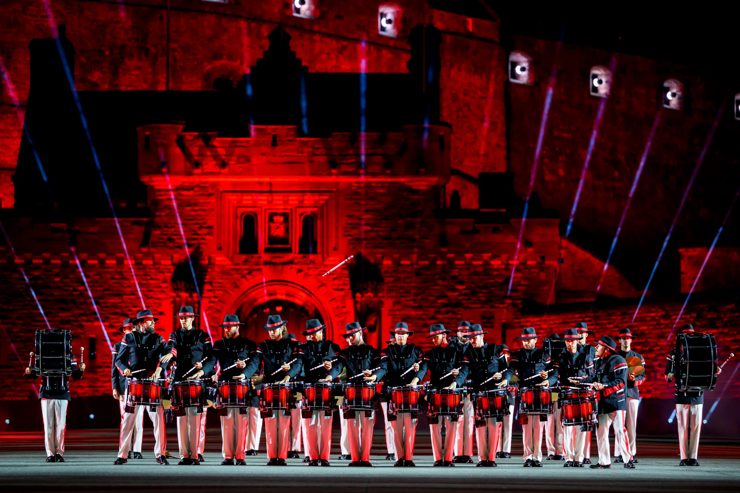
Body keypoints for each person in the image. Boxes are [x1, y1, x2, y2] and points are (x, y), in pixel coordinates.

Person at [244, 314, 303, 465]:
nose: (271, 332)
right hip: (270, 389)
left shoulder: (293, 345)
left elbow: (298, 364)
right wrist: (244, 374)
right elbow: (254, 363)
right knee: (270, 423)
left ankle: (282, 456)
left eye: (274, 329)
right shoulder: (263, 346)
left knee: (284, 423)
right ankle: (272, 456)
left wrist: (289, 374)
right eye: (269, 330)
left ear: (282, 328)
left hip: (287, 388)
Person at [113, 309, 168, 465]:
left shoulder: (158, 338)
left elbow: (168, 353)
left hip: (152, 384)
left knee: (158, 420)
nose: (153, 323)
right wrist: (125, 369)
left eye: (153, 321)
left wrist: (160, 368)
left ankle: (160, 454)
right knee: (128, 420)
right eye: (150, 321)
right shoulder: (129, 338)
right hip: (134, 383)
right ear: (141, 323)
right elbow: (118, 360)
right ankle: (122, 455)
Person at [161, 305, 215, 465]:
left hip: (197, 380)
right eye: (181, 318)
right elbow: (171, 346)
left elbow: (211, 357)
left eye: (186, 318)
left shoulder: (202, 335)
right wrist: (170, 353)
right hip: (180, 380)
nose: (183, 320)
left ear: (192, 318)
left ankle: (195, 455)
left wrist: (203, 369)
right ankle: (184, 455)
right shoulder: (175, 335)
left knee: (195, 419)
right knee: (181, 419)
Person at [25, 327, 86, 462]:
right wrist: (28, 372)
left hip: (62, 393)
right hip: (47, 393)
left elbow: (75, 375)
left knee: (60, 426)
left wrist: (81, 370)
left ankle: (59, 453)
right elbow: (35, 374)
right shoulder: (41, 356)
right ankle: (50, 453)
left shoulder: (70, 357)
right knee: (48, 426)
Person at [664, 323, 721, 467]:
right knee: (682, 426)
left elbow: (710, 368)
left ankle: (693, 457)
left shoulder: (702, 351)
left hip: (697, 393)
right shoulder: (674, 353)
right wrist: (670, 375)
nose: (689, 337)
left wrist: (715, 370)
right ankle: (684, 457)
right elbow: (667, 375)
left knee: (695, 426)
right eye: (687, 334)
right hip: (681, 393)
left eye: (691, 334)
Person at [504, 326, 556, 467]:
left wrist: (547, 379)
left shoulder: (544, 354)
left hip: (540, 393)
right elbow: (510, 370)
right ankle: (528, 456)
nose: (526, 342)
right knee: (526, 428)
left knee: (538, 427)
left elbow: (554, 373)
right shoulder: (517, 355)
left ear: (535, 340)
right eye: (524, 340)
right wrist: (506, 379)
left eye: (528, 340)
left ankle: (537, 457)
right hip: (525, 393)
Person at [336, 322, 386, 466]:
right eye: (348, 336)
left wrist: (375, 376)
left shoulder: (373, 352)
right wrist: (331, 374)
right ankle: (354, 458)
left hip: (367, 393)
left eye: (352, 335)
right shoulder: (344, 353)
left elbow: (382, 367)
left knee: (367, 426)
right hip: (350, 393)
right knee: (351, 426)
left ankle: (365, 458)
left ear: (360, 333)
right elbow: (338, 367)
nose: (349, 339)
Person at [381, 322, 426, 467]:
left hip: (410, 393)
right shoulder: (387, 351)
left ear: (407, 335)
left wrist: (416, 377)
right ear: (395, 336)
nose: (400, 337)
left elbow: (423, 367)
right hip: (393, 392)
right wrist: (375, 376)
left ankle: (408, 457)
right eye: (398, 334)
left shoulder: (416, 351)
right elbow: (383, 367)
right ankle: (399, 457)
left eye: (403, 334)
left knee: (410, 426)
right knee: (395, 426)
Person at [212, 314, 256, 466]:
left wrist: (245, 370)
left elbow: (255, 363)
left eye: (229, 327)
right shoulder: (219, 344)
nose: (226, 329)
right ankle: (228, 456)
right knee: (227, 422)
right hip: (225, 385)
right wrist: (211, 372)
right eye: (225, 327)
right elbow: (212, 361)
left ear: (237, 327)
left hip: (242, 386)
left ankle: (240, 455)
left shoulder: (248, 344)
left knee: (242, 422)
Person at [296, 318, 340, 466]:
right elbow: (299, 365)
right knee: (310, 424)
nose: (313, 336)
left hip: (326, 388)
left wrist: (330, 373)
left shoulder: (332, 347)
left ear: (322, 331)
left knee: (326, 424)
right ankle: (313, 456)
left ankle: (325, 457)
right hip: (309, 388)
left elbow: (338, 365)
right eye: (311, 333)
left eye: (316, 332)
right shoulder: (303, 348)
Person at [424, 323, 469, 466]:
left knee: (452, 425)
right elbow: (424, 369)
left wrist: (457, 379)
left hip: (452, 391)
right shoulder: (430, 354)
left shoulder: (457, 353)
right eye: (432, 337)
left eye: (435, 337)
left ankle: (449, 458)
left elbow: (465, 369)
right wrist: (417, 378)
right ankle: (437, 458)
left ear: (444, 335)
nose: (433, 340)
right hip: (435, 392)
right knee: (434, 426)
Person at [465, 324, 508, 467]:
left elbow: (506, 369)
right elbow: (466, 371)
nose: (472, 340)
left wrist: (503, 378)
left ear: (482, 336)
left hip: (494, 392)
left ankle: (492, 458)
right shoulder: (468, 352)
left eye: (474, 337)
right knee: (480, 426)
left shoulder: (495, 349)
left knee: (494, 425)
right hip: (478, 393)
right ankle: (482, 458)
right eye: (470, 338)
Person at [590, 336, 635, 469]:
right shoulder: (599, 361)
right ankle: (604, 461)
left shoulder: (618, 360)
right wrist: (580, 380)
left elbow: (620, 382)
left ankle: (628, 460)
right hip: (603, 402)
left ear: (606, 349)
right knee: (601, 432)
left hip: (617, 402)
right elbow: (594, 377)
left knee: (620, 430)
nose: (596, 348)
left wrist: (603, 386)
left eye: (599, 346)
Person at [553, 328, 594, 467]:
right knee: (567, 427)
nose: (570, 343)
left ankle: (579, 458)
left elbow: (592, 375)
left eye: (572, 341)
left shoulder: (585, 356)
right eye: (567, 341)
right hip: (567, 394)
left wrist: (582, 381)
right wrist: (549, 381)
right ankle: (569, 458)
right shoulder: (560, 357)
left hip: (582, 393)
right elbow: (555, 375)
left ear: (577, 341)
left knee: (581, 427)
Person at [111, 318, 143, 460]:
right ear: (124, 330)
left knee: (138, 418)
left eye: (133, 328)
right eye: (129, 328)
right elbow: (114, 368)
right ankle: (126, 448)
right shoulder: (118, 346)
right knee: (126, 418)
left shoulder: (140, 343)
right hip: (124, 385)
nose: (132, 330)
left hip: (137, 385)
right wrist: (115, 387)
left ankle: (137, 449)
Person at [615, 327, 645, 463]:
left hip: (632, 394)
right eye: (623, 338)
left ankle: (631, 453)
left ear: (631, 340)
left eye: (627, 338)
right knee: (619, 425)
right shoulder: (615, 356)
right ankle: (619, 453)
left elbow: (642, 377)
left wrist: (635, 379)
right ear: (620, 340)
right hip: (618, 394)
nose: (626, 341)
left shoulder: (637, 357)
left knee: (631, 425)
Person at [449, 320, 474, 463]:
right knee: (457, 419)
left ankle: (467, 453)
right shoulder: (451, 346)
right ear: (457, 333)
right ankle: (458, 452)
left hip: (470, 385)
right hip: (456, 386)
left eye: (466, 331)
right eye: (462, 331)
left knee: (469, 420)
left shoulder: (473, 346)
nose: (464, 334)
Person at [576, 321, 596, 464]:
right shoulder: (571, 349)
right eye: (578, 333)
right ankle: (574, 454)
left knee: (587, 422)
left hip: (587, 387)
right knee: (572, 422)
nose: (580, 335)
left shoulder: (591, 349)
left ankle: (586, 454)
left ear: (586, 335)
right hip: (574, 387)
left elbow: (595, 367)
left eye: (582, 333)